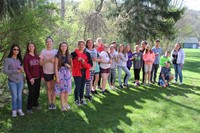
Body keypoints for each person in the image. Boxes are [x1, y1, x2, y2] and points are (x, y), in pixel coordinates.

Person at [3, 44, 25, 117]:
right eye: (14, 49)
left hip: (20, 80)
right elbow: (5, 71)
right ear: (12, 50)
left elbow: (21, 69)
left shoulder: (19, 60)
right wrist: (15, 71)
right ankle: (14, 110)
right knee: (14, 96)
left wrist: (22, 70)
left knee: (19, 96)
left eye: (17, 50)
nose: (16, 51)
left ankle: (19, 109)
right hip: (12, 81)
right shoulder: (7, 60)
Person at [23, 42, 43, 114]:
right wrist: (30, 78)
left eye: (32, 46)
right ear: (28, 48)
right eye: (29, 46)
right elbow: (26, 68)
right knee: (31, 92)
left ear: (34, 47)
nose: (31, 47)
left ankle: (35, 104)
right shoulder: (26, 57)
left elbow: (40, 66)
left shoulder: (37, 56)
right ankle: (29, 108)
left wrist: (42, 76)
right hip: (31, 78)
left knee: (37, 92)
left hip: (38, 77)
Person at [71, 40, 92, 106]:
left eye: (83, 44)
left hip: (85, 72)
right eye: (80, 44)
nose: (81, 46)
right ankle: (76, 100)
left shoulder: (87, 54)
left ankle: (81, 99)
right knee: (77, 86)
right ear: (78, 45)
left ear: (84, 46)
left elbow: (90, 65)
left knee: (82, 87)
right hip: (77, 72)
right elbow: (71, 63)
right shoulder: (74, 53)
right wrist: (77, 60)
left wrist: (84, 62)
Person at [39, 36, 58, 110]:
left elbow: (60, 60)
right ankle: (50, 103)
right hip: (46, 72)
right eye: (47, 41)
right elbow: (40, 64)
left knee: (53, 88)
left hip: (54, 72)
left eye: (50, 41)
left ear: (52, 43)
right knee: (48, 88)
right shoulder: (43, 51)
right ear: (45, 43)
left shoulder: (56, 51)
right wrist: (48, 60)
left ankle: (53, 103)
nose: (49, 43)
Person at [54, 42, 72, 111]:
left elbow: (71, 67)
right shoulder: (57, 56)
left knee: (66, 91)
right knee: (62, 91)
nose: (64, 47)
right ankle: (62, 105)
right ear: (60, 47)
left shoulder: (69, 56)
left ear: (67, 47)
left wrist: (69, 66)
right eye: (62, 46)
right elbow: (55, 68)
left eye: (65, 46)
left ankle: (66, 104)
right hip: (61, 74)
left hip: (67, 75)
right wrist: (57, 77)